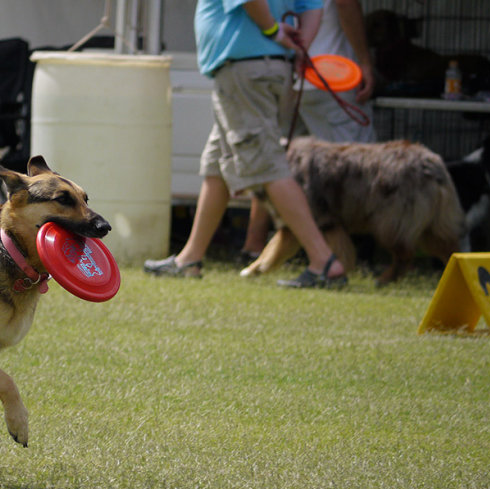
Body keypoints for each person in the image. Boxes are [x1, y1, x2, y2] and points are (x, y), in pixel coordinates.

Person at [145, 0, 347, 288]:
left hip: (245, 72)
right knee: (217, 164)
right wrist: (299, 46)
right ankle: (190, 258)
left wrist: (274, 31)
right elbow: (313, 7)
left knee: (268, 165)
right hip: (266, 69)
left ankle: (324, 261)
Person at [240, 0, 376, 258]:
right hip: (329, 73)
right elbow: (346, 4)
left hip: (287, 69)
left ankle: (254, 243)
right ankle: (346, 251)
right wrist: (365, 62)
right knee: (355, 166)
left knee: (275, 162)